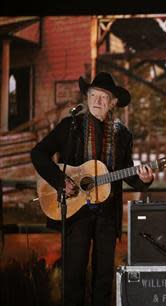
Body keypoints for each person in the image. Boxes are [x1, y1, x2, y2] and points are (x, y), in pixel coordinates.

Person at [31, 72, 154, 306]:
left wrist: (145, 179)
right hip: (76, 212)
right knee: (73, 277)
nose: (98, 101)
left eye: (104, 96)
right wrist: (59, 180)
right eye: (93, 95)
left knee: (103, 280)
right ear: (87, 98)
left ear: (113, 102)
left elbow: (127, 171)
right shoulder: (72, 126)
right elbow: (38, 153)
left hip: (107, 215)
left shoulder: (122, 134)